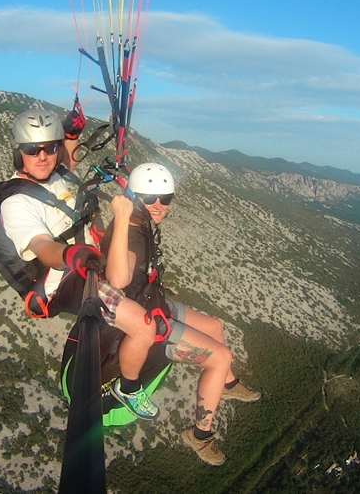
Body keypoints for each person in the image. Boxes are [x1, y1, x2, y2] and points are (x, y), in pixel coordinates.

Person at [0, 109, 161, 420]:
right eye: (33, 150)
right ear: (19, 154)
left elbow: (66, 169)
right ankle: (128, 389)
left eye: (50, 147)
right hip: (66, 279)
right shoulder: (16, 202)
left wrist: (71, 136)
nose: (43, 156)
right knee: (144, 326)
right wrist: (70, 256)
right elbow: (41, 246)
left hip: (87, 259)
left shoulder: (52, 175)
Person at [101, 162, 261, 466]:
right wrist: (120, 218)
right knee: (221, 357)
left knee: (214, 326)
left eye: (165, 199)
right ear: (134, 198)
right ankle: (200, 435)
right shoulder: (131, 231)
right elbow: (119, 278)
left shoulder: (140, 221)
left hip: (153, 301)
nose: (158, 205)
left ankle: (226, 385)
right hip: (146, 317)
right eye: (150, 198)